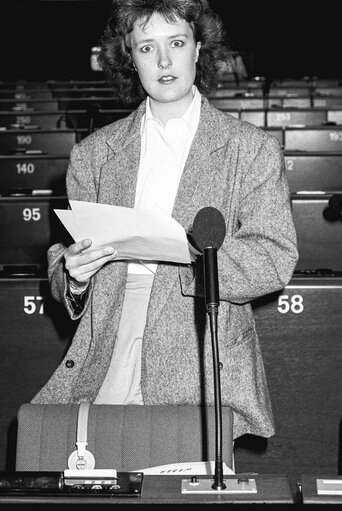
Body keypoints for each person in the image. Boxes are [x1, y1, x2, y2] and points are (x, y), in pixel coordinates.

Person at [32, 0, 298, 448]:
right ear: (129, 60)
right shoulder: (94, 154)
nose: (163, 61)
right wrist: (73, 274)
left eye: (176, 43)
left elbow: (273, 255)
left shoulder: (250, 149)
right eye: (146, 48)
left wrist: (189, 258)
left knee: (185, 481)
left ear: (198, 49)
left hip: (199, 336)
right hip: (113, 332)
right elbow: (63, 258)